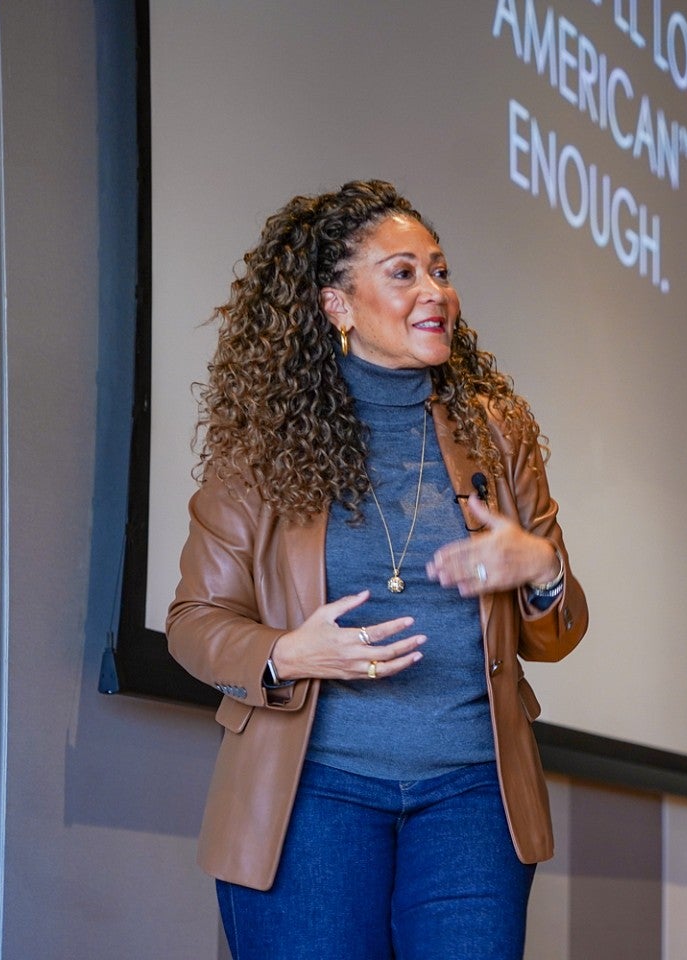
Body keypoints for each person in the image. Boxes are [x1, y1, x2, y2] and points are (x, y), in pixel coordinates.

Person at [166, 179, 588, 959]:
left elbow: (556, 634)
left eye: (440, 270)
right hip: (311, 797)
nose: (436, 292)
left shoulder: (499, 431)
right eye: (404, 273)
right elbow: (194, 621)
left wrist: (540, 567)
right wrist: (287, 653)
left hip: (471, 800)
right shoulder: (264, 448)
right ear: (338, 305)